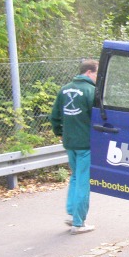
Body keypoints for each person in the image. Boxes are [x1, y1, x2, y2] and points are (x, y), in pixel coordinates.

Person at [50, 59, 98, 234]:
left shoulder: (64, 89)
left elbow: (54, 116)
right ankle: (79, 222)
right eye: (97, 73)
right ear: (88, 72)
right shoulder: (91, 91)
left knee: (76, 177)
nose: (97, 77)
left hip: (70, 142)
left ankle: (72, 213)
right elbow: (98, 118)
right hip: (86, 143)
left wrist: (60, 133)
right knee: (84, 180)